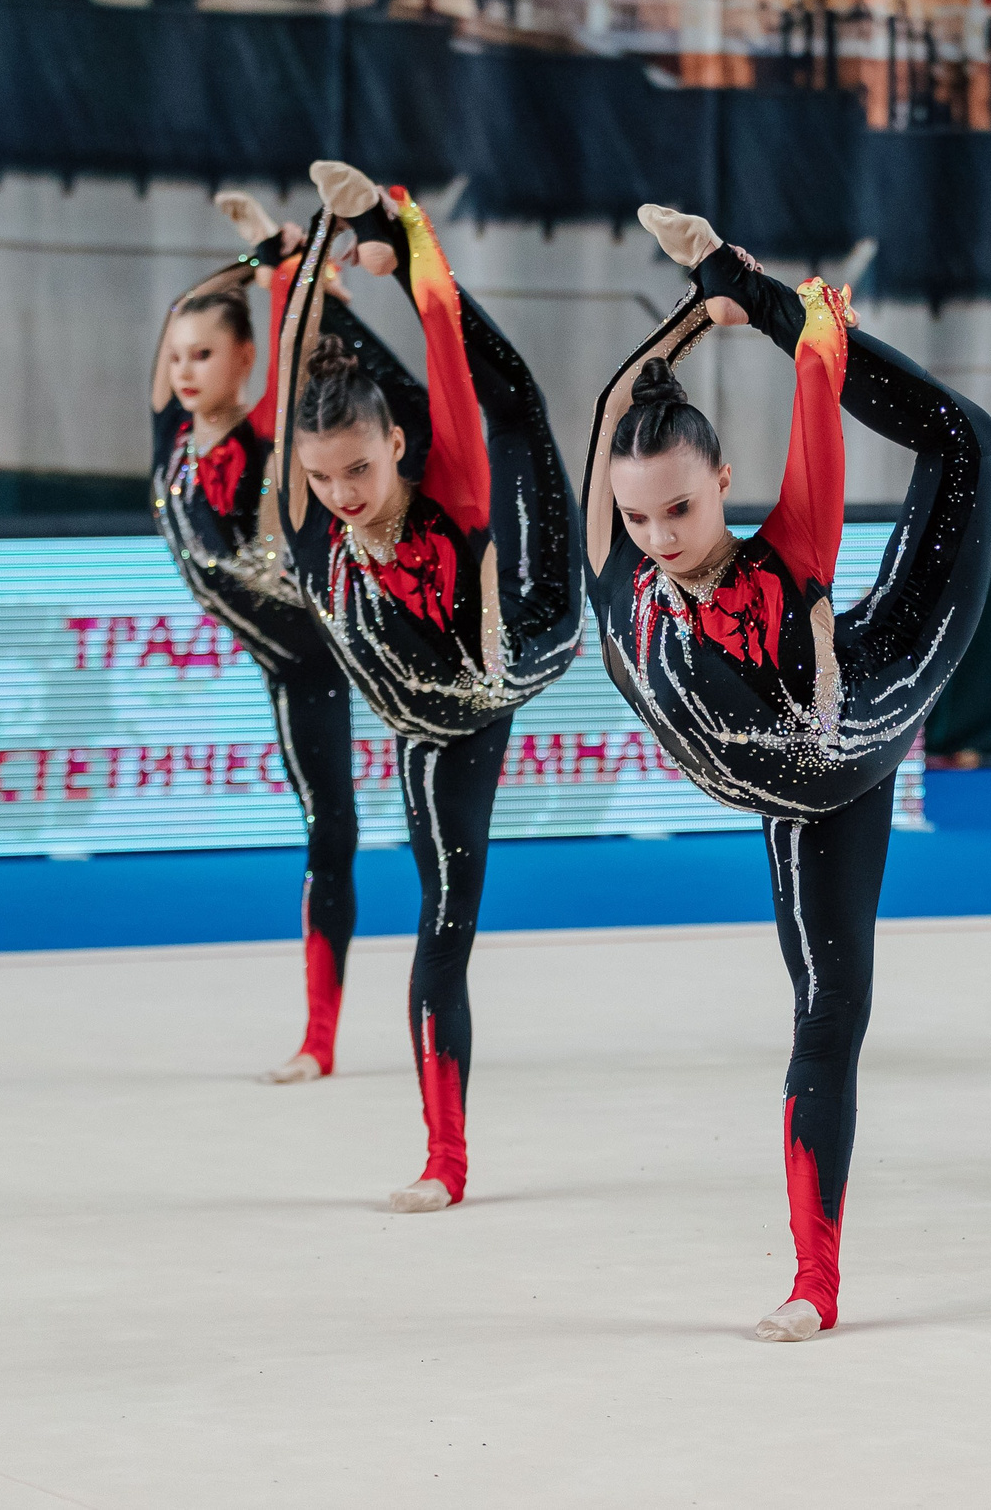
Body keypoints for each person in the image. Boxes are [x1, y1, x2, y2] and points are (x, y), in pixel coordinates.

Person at [582, 205, 991, 1341]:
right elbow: (616, 412)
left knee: (966, 440)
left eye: (683, 505)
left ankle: (818, 1282)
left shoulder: (789, 559)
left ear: (723, 478)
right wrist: (693, 311)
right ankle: (814, 1279)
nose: (660, 533)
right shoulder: (616, 578)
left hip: (871, 695)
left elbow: (821, 402)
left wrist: (781, 317)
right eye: (639, 515)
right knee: (824, 1010)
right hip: (807, 789)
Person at [267, 161, 583, 1213]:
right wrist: (315, 245)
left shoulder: (442, 483)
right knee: (440, 923)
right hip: (421, 720)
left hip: (517, 648)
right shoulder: (311, 518)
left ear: (395, 447)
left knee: (517, 405)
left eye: (359, 469)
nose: (342, 495)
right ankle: (443, 1162)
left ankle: (391, 225)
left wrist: (400, 239)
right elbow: (289, 351)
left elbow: (444, 343)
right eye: (323, 476)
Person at [152, 193, 420, 1085]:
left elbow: (297, 333)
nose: (187, 370)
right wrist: (241, 265)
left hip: (352, 636)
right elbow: (172, 323)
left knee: (419, 818)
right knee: (328, 831)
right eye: (180, 356)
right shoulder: (171, 435)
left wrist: (275, 257)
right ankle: (320, 1037)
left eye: (206, 354)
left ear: (243, 360)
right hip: (293, 666)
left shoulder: (269, 431)